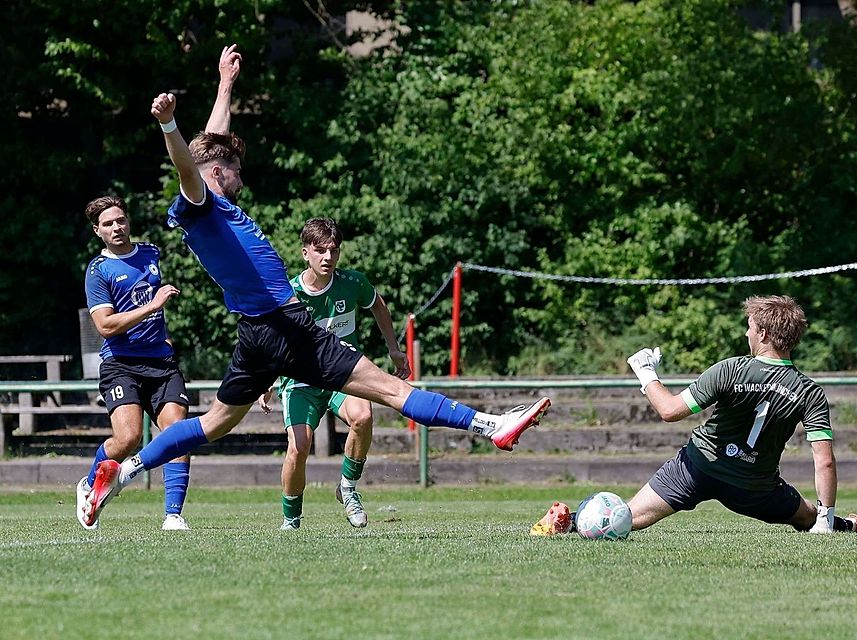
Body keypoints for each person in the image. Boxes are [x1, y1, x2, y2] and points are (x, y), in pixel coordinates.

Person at [81, 45, 550, 527]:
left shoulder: (213, 199)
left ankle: (120, 473)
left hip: (258, 332)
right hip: (286, 326)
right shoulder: (200, 200)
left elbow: (210, 145)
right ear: (218, 174)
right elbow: (189, 165)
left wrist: (225, 83)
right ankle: (492, 425)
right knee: (390, 389)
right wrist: (168, 124)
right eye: (236, 171)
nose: (242, 177)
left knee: (213, 424)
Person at [531, 295, 857, 536]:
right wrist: (824, 516)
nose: (746, 332)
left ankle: (564, 525)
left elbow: (669, 410)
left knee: (625, 518)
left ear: (764, 333)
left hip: (698, 468)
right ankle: (854, 525)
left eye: (750, 327)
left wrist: (646, 373)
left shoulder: (731, 370)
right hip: (754, 486)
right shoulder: (809, 391)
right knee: (809, 518)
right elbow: (825, 463)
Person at [259, 217, 411, 530]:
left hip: (344, 375)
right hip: (301, 381)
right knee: (298, 447)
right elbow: (271, 337)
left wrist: (394, 349)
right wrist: (267, 379)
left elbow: (378, 305)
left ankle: (348, 488)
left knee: (363, 417)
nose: (328, 257)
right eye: (320, 250)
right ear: (305, 253)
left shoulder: (352, 282)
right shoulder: (288, 294)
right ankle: (291, 519)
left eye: (334, 250)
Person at [78, 195, 192, 531]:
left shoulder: (150, 253)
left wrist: (163, 336)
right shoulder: (98, 271)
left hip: (160, 362)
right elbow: (105, 326)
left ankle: (173, 516)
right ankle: (90, 486)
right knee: (127, 438)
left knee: (178, 434)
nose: (116, 227)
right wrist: (152, 307)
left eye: (121, 220)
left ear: (128, 221)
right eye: (108, 224)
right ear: (97, 231)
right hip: (121, 364)